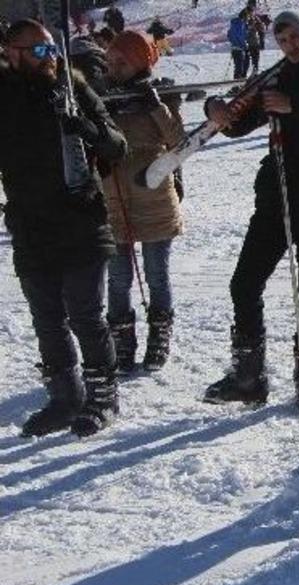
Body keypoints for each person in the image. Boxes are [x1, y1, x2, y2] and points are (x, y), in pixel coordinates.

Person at [202, 9, 299, 411]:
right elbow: (244, 120)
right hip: (276, 194)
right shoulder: (276, 76)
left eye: (295, 37)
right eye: (282, 39)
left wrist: (294, 104)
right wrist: (218, 112)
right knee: (244, 282)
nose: (289, 45)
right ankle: (248, 376)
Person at [1, 19, 127, 437]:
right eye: (39, 51)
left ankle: (103, 395)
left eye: (52, 48)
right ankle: (65, 396)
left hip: (80, 221)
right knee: (47, 319)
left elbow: (117, 145)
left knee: (86, 315)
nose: (50, 57)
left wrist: (86, 129)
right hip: (31, 226)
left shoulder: (73, 89)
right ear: (13, 54)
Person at [100, 30, 185, 375]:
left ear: (139, 61)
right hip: (113, 195)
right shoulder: (100, 93)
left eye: (122, 61)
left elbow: (179, 142)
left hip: (155, 198)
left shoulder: (159, 94)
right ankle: (121, 340)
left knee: (156, 274)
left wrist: (155, 106)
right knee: (117, 278)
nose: (113, 67)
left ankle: (159, 335)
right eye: (110, 60)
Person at [227, 8, 251, 80]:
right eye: (248, 17)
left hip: (236, 48)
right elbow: (240, 36)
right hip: (239, 48)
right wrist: (244, 45)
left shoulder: (236, 23)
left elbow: (229, 35)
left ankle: (239, 85)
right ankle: (237, 86)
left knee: (241, 67)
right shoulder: (240, 24)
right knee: (240, 68)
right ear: (244, 16)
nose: (248, 19)